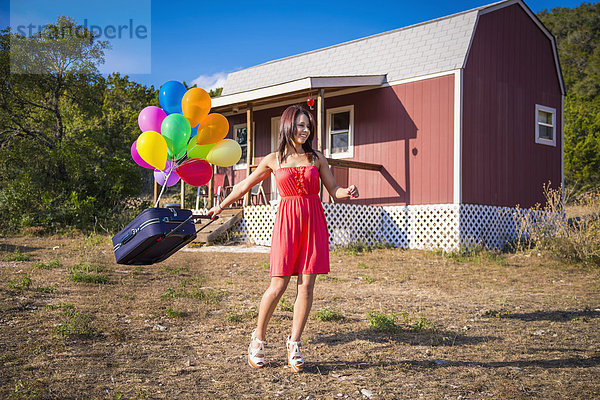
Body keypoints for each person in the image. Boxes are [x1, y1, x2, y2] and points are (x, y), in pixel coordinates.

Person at [207, 104, 359, 372]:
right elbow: (244, 185)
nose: (305, 130)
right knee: (278, 285)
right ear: (288, 126)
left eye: (308, 126)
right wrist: (220, 206)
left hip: (313, 222)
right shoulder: (273, 159)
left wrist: (347, 191)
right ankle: (258, 339)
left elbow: (334, 190)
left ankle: (295, 344)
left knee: (307, 286)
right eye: (301, 125)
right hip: (288, 223)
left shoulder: (317, 158)